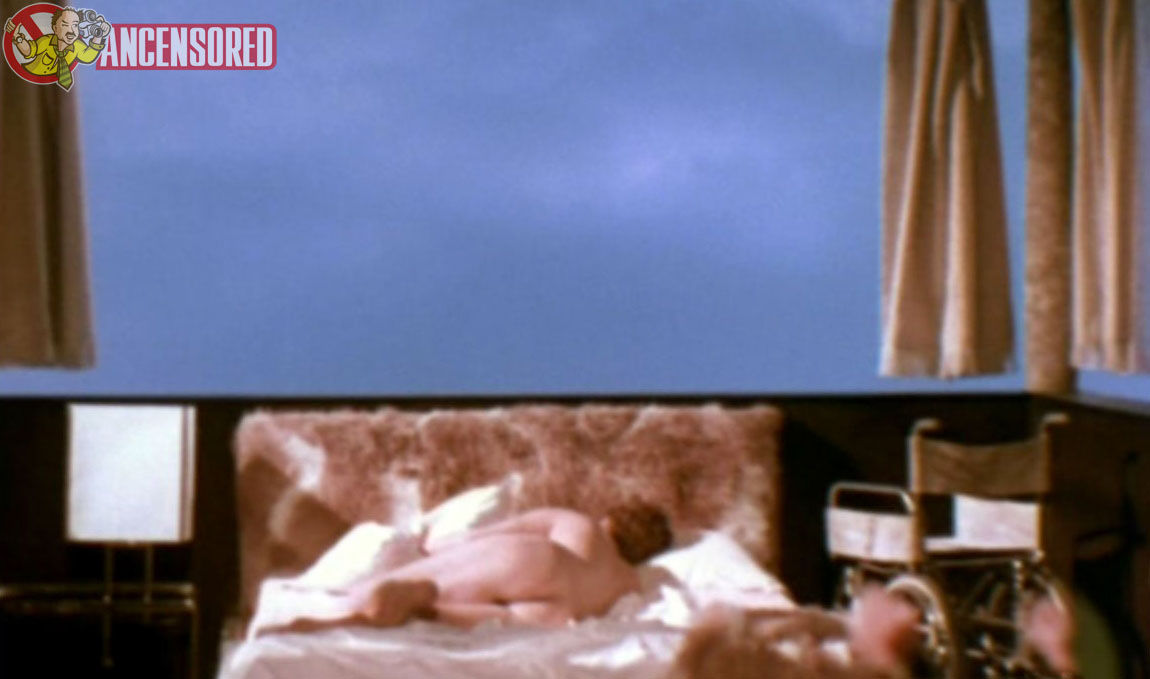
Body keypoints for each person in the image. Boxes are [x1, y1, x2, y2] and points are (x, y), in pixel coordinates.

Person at [258, 501, 673, 634]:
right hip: (560, 613)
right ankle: (427, 609)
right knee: (505, 619)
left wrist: (443, 545)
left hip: (541, 561)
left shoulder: (583, 526)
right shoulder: (630, 581)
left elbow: (500, 532)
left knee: (424, 579)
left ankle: (388, 596)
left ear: (612, 520)